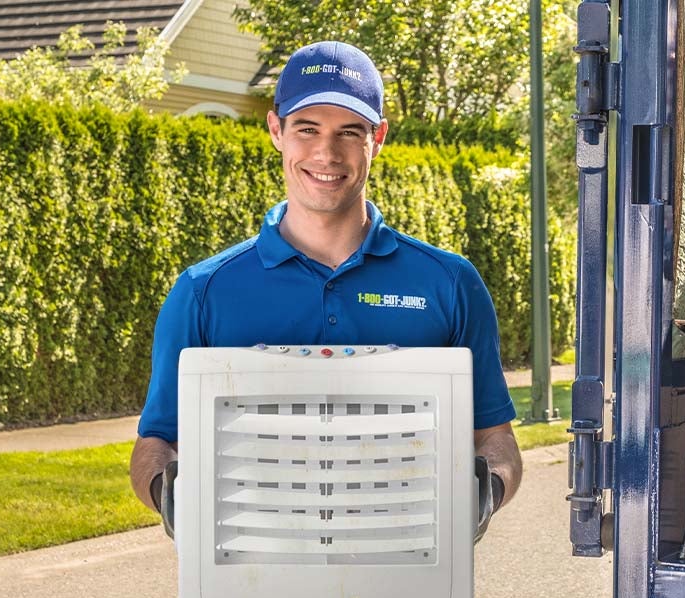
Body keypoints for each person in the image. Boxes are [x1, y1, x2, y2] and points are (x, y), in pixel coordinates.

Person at [129, 41, 522, 536]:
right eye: (307, 128)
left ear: (377, 137)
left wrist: (486, 490)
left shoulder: (450, 283)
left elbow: (496, 439)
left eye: (349, 132)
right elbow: (157, 442)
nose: (326, 153)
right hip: (248, 571)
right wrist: (174, 497)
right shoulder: (203, 291)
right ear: (276, 131)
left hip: (410, 564)